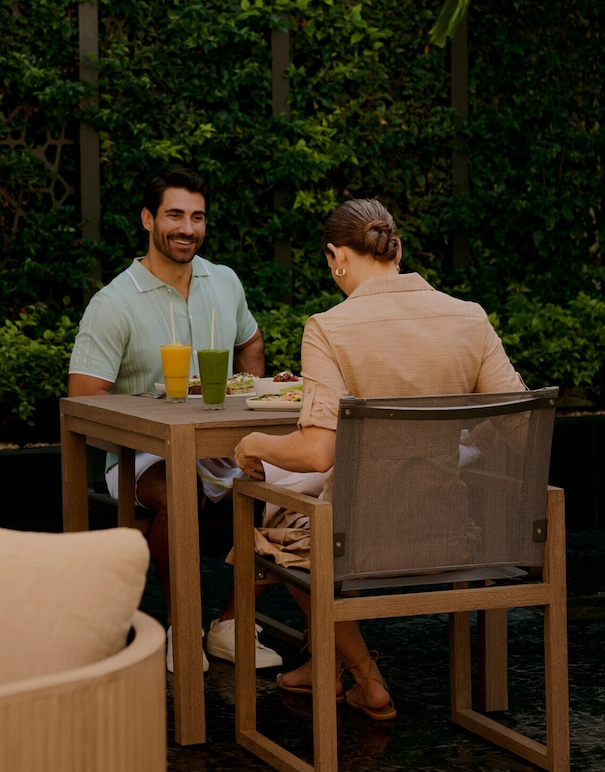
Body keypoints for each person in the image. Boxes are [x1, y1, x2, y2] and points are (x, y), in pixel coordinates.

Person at [234, 198, 526, 718]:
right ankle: (330, 666)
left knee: (280, 519)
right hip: (452, 530)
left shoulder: (329, 327)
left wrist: (254, 444)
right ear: (397, 249)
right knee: (307, 510)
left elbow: (317, 451)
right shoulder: (468, 318)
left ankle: (365, 676)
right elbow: (518, 425)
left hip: (358, 541)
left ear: (335, 256)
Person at [69, 168, 282, 672]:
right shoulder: (113, 303)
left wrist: (242, 394)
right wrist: (153, 412)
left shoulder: (224, 280)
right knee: (179, 487)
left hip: (221, 447)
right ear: (148, 220)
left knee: (295, 481)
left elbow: (250, 341)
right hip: (141, 456)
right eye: (175, 215)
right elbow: (83, 400)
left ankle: (231, 623)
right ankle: (181, 628)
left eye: (197, 216)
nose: (187, 227)